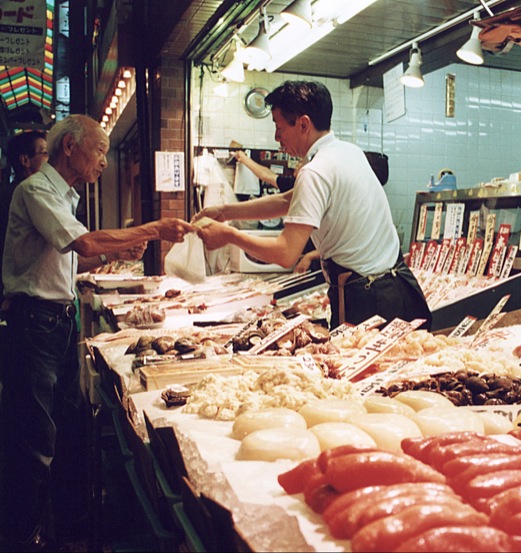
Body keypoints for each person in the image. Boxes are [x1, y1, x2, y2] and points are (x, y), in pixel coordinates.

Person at [0, 114, 194, 551]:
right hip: (34, 327)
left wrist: (119, 251)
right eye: (100, 151)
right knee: (34, 440)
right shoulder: (34, 190)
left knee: (66, 427)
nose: (104, 162)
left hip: (56, 322)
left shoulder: (63, 195)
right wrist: (154, 228)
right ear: (70, 146)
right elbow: (84, 244)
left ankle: (68, 529)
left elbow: (72, 259)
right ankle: (22, 537)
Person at [194, 80, 431, 329]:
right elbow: (290, 199)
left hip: (368, 298)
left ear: (304, 124)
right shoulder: (347, 151)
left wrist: (229, 235)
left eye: (279, 127)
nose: (277, 137)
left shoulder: (315, 170)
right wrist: (224, 212)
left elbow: (286, 253)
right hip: (397, 288)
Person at [1, 131, 49, 299]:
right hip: (21, 294)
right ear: (25, 160)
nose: (50, 159)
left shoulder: (12, 191)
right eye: (44, 153)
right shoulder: (28, 193)